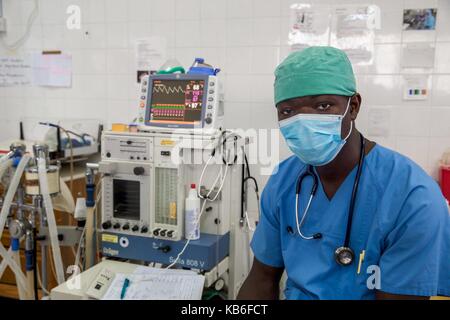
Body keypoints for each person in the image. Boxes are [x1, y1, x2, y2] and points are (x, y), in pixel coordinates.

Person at [238, 46, 450, 300]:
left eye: (323, 106)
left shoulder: (413, 198)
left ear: (353, 107)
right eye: (288, 111)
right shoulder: (283, 181)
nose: (304, 121)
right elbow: (261, 279)